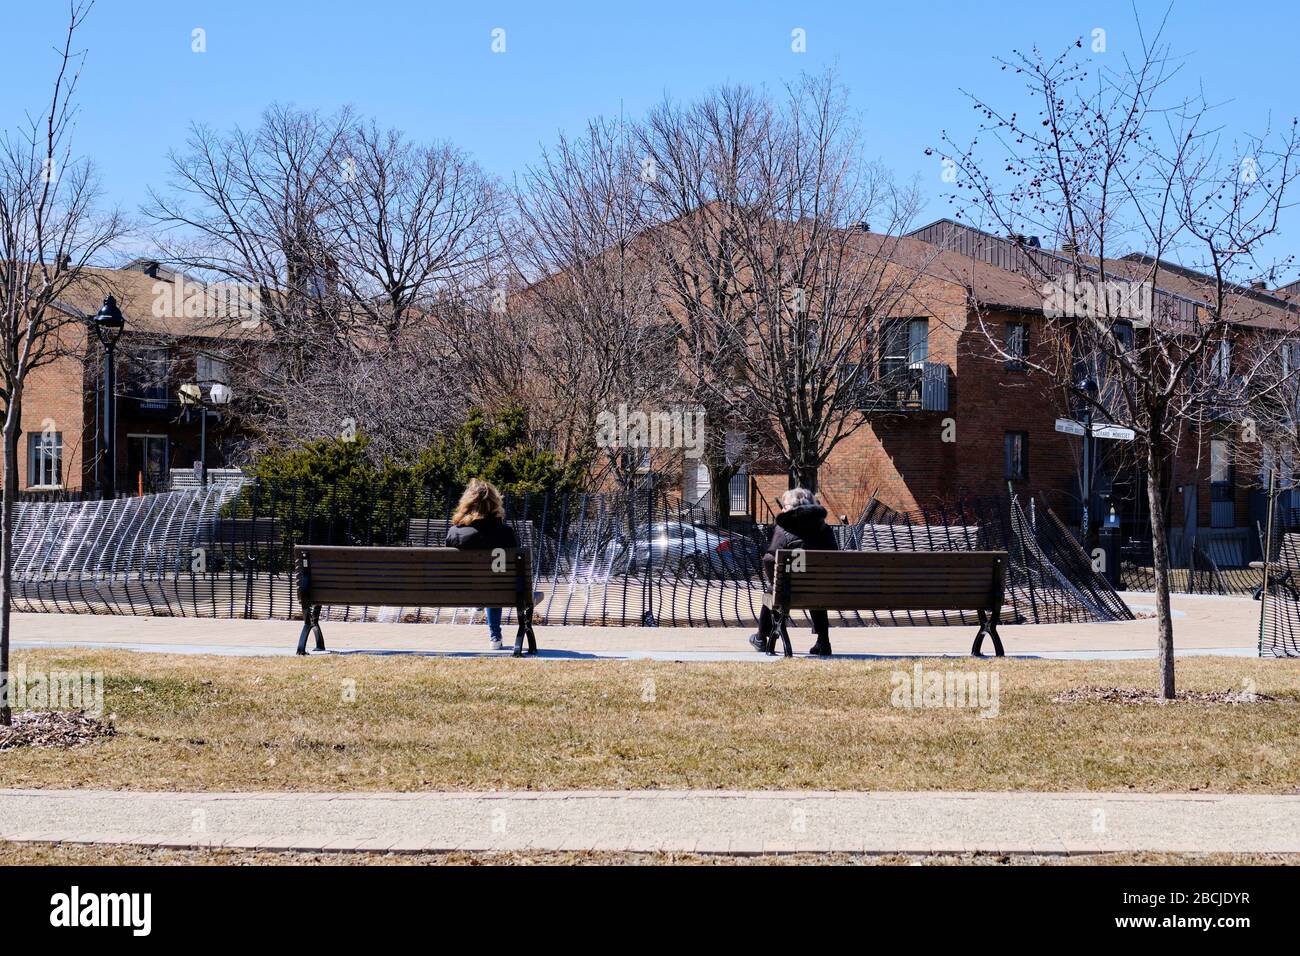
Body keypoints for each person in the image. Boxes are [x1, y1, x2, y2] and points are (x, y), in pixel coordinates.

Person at [748, 487, 839, 657]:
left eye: (786, 505)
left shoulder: (784, 529)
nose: (782, 509)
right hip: (821, 590)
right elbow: (835, 559)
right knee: (814, 587)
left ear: (796, 507)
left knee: (775, 590)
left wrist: (774, 581)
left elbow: (768, 560)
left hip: (788, 591)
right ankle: (823, 640)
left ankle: (761, 637)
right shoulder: (825, 529)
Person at [446, 478, 518, 650]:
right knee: (496, 580)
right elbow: (508, 568)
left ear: (467, 503)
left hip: (461, 589)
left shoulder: (455, 532)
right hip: (497, 589)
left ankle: (478, 603)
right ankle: (495, 636)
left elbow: (450, 567)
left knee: (488, 582)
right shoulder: (505, 533)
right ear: (495, 503)